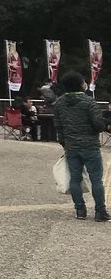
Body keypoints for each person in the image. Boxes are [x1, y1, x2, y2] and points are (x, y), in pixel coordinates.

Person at [52, 71, 109, 220]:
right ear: (80, 85)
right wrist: (105, 121)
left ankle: (80, 210)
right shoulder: (89, 102)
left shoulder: (59, 103)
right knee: (96, 179)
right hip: (90, 146)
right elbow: (98, 125)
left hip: (71, 146)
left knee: (75, 179)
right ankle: (100, 211)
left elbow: (58, 126)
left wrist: (64, 143)